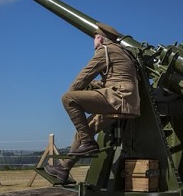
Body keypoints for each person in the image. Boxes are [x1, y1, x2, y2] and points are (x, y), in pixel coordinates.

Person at [44, 22, 141, 184]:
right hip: (126, 101)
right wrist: (95, 86)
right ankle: (63, 169)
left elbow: (84, 76)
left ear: (100, 38)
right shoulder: (122, 53)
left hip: (118, 99)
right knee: (83, 132)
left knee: (68, 98)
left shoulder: (105, 50)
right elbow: (116, 79)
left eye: (95, 37)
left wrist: (73, 93)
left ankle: (88, 143)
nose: (93, 41)